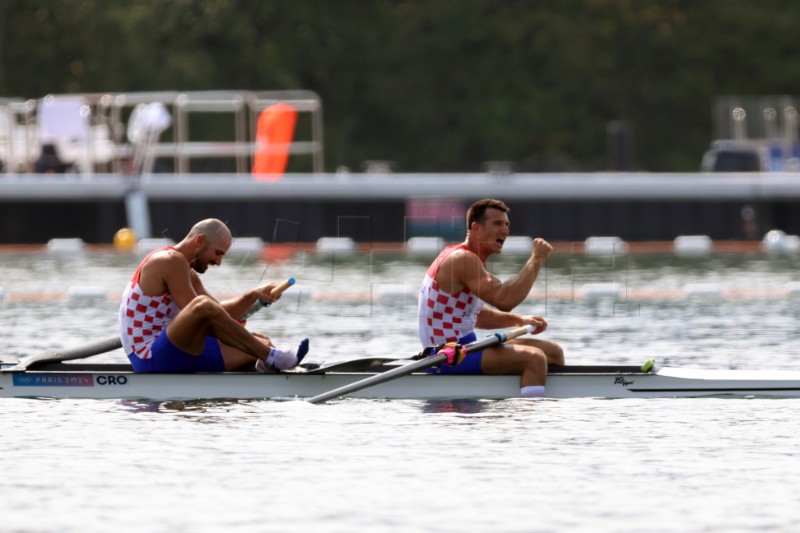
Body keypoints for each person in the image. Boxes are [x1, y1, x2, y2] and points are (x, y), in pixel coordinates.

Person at [119, 218, 308, 373]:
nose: (218, 262)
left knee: (260, 340)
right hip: (149, 356)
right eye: (217, 253)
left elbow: (218, 314)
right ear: (199, 241)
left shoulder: (185, 270)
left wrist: (252, 296)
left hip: (171, 348)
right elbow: (205, 314)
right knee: (206, 308)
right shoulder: (170, 261)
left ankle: (265, 366)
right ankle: (275, 358)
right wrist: (242, 337)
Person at [418, 198, 564, 397]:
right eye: (497, 224)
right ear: (476, 228)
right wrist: (536, 260)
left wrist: (518, 320)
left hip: (467, 348)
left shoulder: (465, 257)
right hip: (446, 356)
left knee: (554, 353)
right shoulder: (463, 260)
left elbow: (474, 315)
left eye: (506, 225)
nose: (505, 230)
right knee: (535, 358)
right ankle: (532, 416)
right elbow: (505, 300)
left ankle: (524, 389)